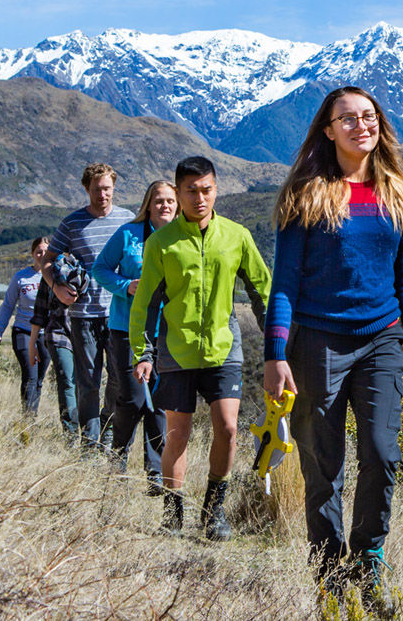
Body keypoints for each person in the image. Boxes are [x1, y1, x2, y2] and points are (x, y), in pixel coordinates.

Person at [262, 86, 403, 607]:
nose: (362, 125)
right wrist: (275, 354)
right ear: (328, 130)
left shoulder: (395, 195)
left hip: (381, 341)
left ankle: (367, 563)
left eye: (369, 116)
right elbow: (285, 283)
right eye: (348, 119)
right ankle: (329, 577)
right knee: (324, 467)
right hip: (317, 344)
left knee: (382, 455)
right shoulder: (305, 197)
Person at [129, 156, 271, 541]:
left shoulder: (237, 236)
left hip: (225, 347)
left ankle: (214, 510)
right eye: (190, 191)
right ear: (178, 192)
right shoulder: (162, 243)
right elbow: (145, 304)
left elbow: (263, 290)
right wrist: (143, 352)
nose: (199, 197)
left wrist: (277, 345)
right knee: (178, 433)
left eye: (206, 189)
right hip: (175, 349)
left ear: (216, 189)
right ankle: (173, 511)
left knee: (227, 427)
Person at [93, 180, 178, 495]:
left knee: (159, 402)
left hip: (167, 332)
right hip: (127, 328)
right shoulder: (128, 235)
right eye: (159, 201)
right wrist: (125, 285)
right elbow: (100, 269)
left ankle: (155, 472)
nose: (165, 206)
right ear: (148, 204)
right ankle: (117, 458)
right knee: (132, 396)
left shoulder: (182, 237)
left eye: (170, 200)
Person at [42, 163, 134, 450]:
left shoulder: (128, 220)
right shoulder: (72, 223)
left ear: (114, 187)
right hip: (83, 315)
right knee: (89, 383)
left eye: (107, 188)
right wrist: (56, 287)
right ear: (86, 189)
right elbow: (47, 259)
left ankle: (107, 431)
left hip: (119, 314)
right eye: (97, 190)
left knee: (119, 381)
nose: (102, 194)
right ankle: (89, 445)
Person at [0, 237, 51, 414]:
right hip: (23, 331)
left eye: (45, 252)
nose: (41, 255)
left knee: (39, 378)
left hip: (46, 334)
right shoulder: (21, 277)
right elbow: (8, 305)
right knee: (30, 375)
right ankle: (27, 418)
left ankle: (33, 415)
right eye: (38, 252)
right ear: (33, 254)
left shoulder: (56, 275)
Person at [28, 252, 84, 439]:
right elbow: (40, 309)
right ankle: (70, 433)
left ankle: (88, 431)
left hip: (86, 334)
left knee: (84, 384)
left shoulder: (91, 265)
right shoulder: (51, 273)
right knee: (67, 381)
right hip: (58, 333)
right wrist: (32, 343)